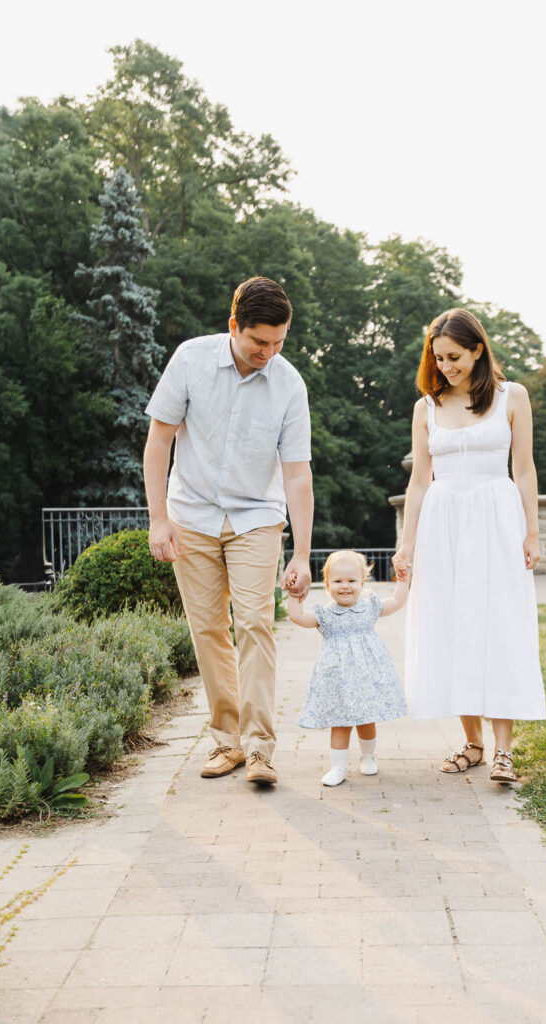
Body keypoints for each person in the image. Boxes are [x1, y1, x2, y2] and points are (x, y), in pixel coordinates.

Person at [143, 276, 313, 786]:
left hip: (256, 516)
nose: (269, 352)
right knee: (210, 629)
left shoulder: (289, 384)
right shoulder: (191, 360)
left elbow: (298, 473)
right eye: (260, 341)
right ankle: (227, 742)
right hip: (190, 515)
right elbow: (159, 442)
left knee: (256, 624)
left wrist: (302, 555)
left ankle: (261, 749)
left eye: (279, 342)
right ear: (233, 325)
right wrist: (157, 518)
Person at [392, 308, 546, 783]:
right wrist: (406, 545)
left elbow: (524, 469)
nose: (446, 366)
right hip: (444, 524)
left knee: (499, 625)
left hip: (496, 520)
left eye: (454, 356)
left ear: (478, 349)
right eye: (438, 358)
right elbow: (420, 480)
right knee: (451, 625)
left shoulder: (511, 397)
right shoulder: (426, 407)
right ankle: (472, 743)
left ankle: (504, 750)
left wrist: (532, 530)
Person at [287, 550, 409, 787]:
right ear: (327, 584)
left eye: (352, 581)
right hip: (338, 679)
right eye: (338, 581)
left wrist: (403, 579)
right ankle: (338, 767)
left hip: (367, 676)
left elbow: (396, 601)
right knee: (340, 723)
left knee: (366, 720)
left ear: (363, 583)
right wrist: (294, 595)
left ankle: (368, 756)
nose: (345, 587)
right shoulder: (325, 614)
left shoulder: (369, 607)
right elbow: (298, 617)